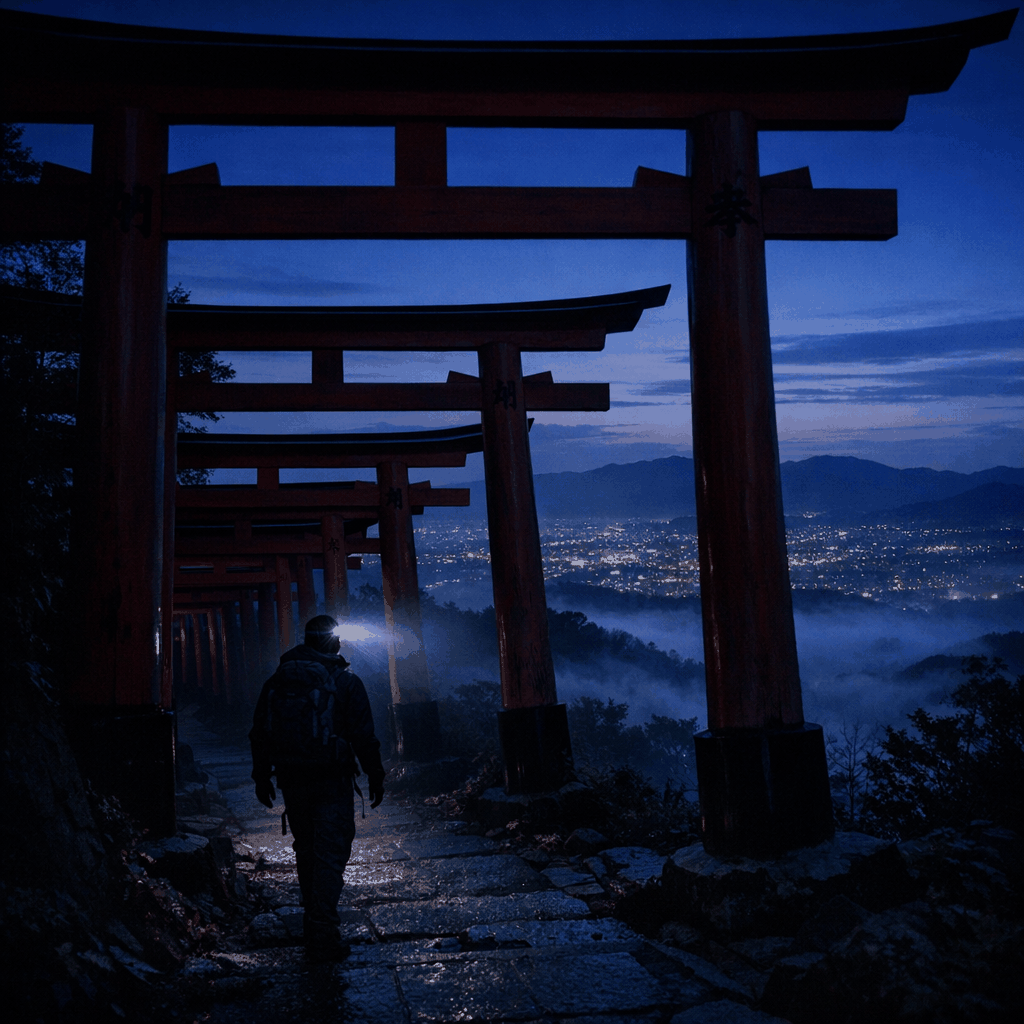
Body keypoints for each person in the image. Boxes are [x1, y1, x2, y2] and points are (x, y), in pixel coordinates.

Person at [249, 614, 385, 962]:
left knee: (306, 849)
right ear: (333, 642)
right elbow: (363, 735)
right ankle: (323, 931)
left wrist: (261, 777)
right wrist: (375, 774)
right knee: (331, 852)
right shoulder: (345, 681)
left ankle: (313, 922)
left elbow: (260, 732)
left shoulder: (277, 680)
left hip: (292, 779)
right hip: (331, 778)